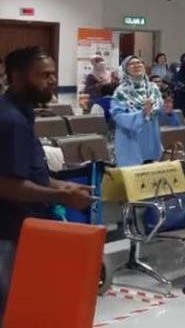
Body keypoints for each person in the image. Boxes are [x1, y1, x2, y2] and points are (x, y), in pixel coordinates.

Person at [0, 47, 94, 322]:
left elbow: (30, 175)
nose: (52, 81)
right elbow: (7, 185)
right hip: (7, 232)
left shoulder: (22, 113)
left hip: (23, 228)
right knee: (9, 311)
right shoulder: (10, 121)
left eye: (53, 74)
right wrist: (63, 198)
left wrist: (61, 188)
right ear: (17, 76)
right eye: (44, 75)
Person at [111, 56, 164, 167]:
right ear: (125, 69)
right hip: (131, 140)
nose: (136, 65)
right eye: (132, 64)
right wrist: (141, 114)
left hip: (151, 138)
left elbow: (159, 107)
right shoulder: (121, 91)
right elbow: (117, 115)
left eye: (139, 62)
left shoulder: (152, 88)